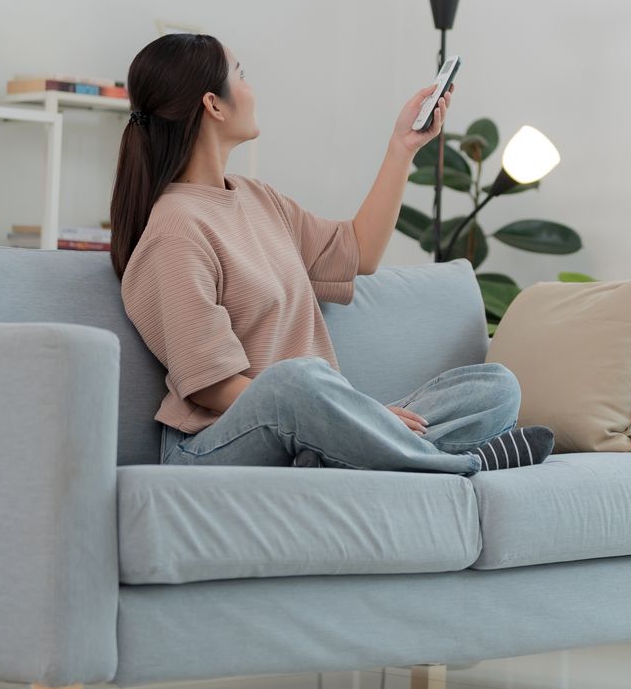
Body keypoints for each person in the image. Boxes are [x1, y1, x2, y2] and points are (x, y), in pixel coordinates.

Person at [111, 32, 552, 474]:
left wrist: (403, 147)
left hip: (310, 423)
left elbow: (359, 252)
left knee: (494, 386)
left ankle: (343, 459)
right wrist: (345, 413)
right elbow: (212, 386)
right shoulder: (175, 229)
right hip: (213, 444)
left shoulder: (258, 199)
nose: (252, 89)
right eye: (241, 75)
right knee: (295, 379)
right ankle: (456, 464)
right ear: (214, 104)